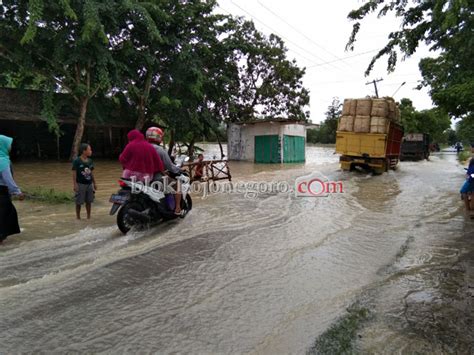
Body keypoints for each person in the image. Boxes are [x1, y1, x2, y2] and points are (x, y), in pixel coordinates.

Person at [145, 127, 184, 216]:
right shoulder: (159, 150)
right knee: (177, 185)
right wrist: (179, 170)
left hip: (140, 178)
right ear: (159, 137)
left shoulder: (142, 147)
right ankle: (178, 208)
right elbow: (170, 166)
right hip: (155, 177)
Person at [0, 135, 25, 244]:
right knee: (6, 215)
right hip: (1, 193)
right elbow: (7, 179)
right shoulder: (3, 161)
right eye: (9, 144)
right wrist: (18, 192)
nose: (10, 147)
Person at [72, 143, 97, 220]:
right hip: (80, 184)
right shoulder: (77, 161)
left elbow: (91, 172)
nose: (91, 151)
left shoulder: (90, 161)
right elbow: (74, 173)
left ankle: (88, 217)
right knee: (78, 202)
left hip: (89, 184)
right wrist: (75, 184)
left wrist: (94, 183)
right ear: (84, 151)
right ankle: (78, 218)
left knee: (89, 202)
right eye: (89, 149)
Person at [460, 144, 474, 217]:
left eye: (471, 147)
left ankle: (468, 210)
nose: (470, 148)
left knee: (463, 191)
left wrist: (469, 177)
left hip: (472, 180)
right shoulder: (472, 158)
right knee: (472, 193)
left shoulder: (473, 159)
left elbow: (472, 173)